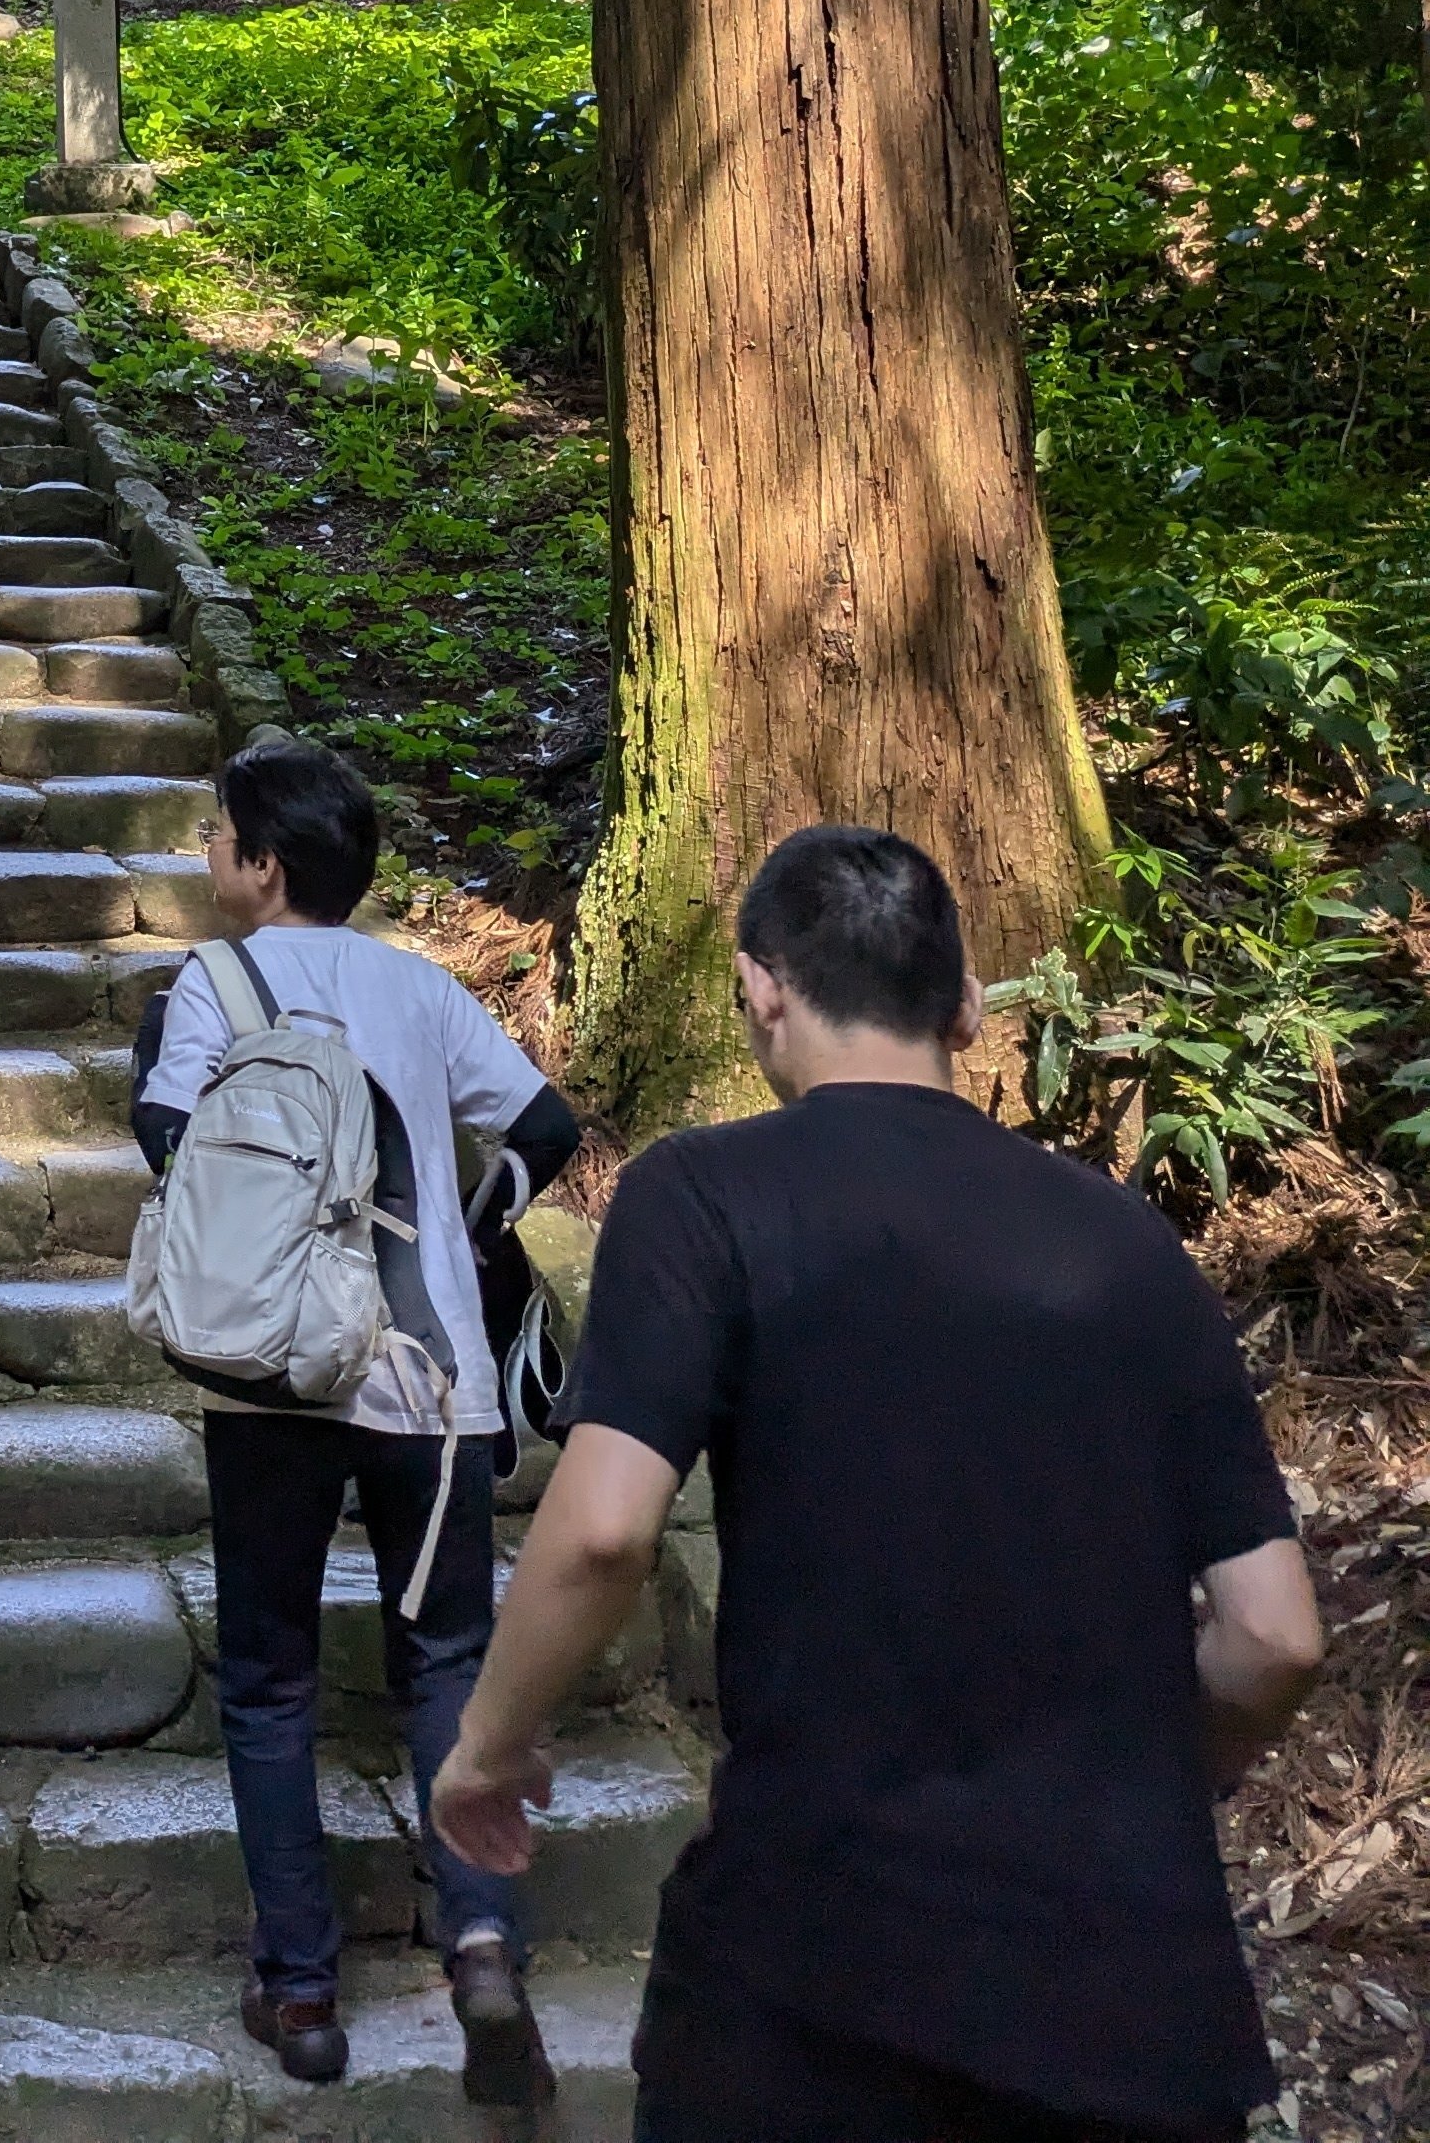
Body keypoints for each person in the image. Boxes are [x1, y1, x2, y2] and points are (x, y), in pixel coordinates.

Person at [429, 821, 1325, 2143]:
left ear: (761, 992)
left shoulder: (706, 1198)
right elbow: (1276, 1636)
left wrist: (488, 1747)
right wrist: (1134, 1786)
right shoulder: (1130, 1247)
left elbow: (606, 1532)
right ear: (965, 1004)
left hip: (821, 1980)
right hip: (1132, 1995)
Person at [135, 731, 586, 2110]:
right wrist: (471, 1217)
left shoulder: (209, 985)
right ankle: (485, 1945)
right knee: (447, 1661)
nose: (208, 856)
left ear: (266, 866)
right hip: (430, 1384)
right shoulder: (420, 988)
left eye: (219, 837)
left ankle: (305, 1989)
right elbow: (548, 1125)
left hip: (273, 1376)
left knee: (269, 1683)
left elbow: (168, 1141)